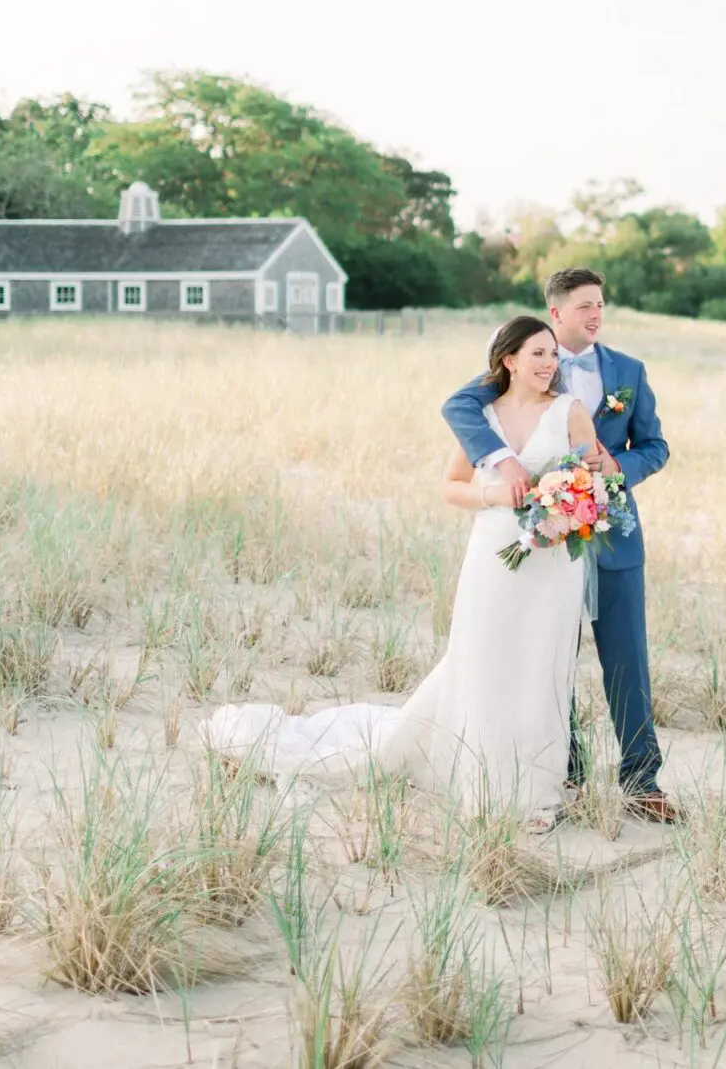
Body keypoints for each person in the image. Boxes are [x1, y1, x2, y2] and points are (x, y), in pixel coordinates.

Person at [199, 315, 604, 833]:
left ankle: (536, 794)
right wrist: (497, 494)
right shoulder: (481, 416)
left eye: (553, 355)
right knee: (485, 660)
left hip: (553, 561)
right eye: (538, 355)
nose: (550, 364)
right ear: (509, 361)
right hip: (494, 551)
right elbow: (451, 486)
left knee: (542, 667)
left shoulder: (570, 412)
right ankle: (479, 780)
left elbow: (595, 476)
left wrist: (572, 503)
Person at [441, 267, 681, 825]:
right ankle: (563, 776)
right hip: (539, 545)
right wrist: (501, 468)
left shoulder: (628, 371)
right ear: (556, 313)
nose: (596, 314)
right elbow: (458, 409)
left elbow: (656, 446)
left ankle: (642, 781)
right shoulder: (517, 368)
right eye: (584, 307)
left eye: (600, 305)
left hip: (611, 532)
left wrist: (615, 464)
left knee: (628, 661)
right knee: (544, 656)